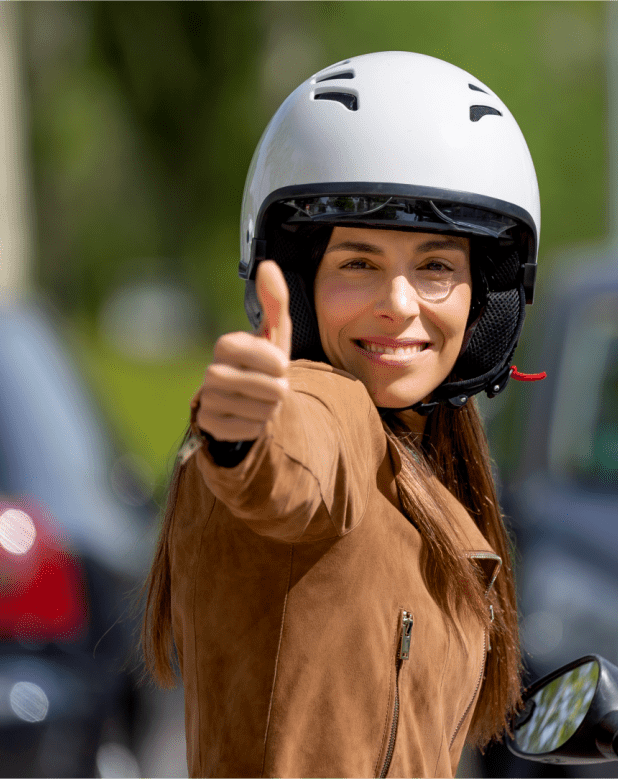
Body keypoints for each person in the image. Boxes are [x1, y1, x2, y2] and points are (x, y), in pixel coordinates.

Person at [141, 51, 542, 778]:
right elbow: (297, 453)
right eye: (358, 262)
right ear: (298, 282)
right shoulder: (329, 411)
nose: (399, 300)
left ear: (483, 299)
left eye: (436, 265)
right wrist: (243, 434)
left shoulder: (425, 468)